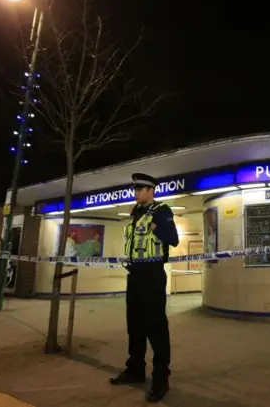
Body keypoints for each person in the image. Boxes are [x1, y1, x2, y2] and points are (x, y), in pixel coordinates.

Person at [110, 173, 179, 403]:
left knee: (156, 328)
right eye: (135, 188)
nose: (136, 192)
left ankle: (161, 380)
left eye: (141, 188)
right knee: (135, 326)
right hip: (135, 276)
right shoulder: (135, 213)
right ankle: (135, 370)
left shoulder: (162, 210)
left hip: (152, 276)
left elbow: (172, 238)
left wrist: (155, 225)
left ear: (151, 190)